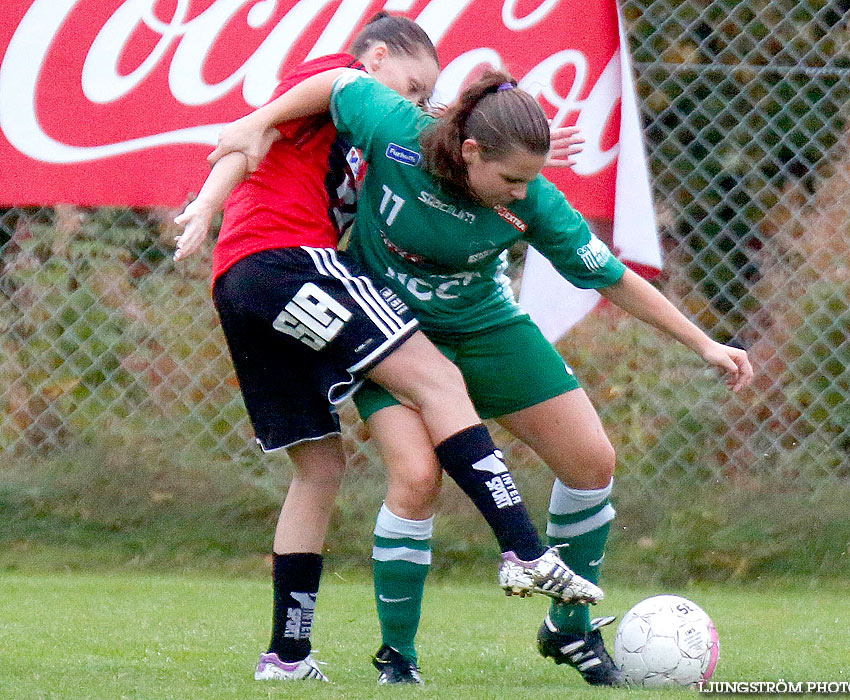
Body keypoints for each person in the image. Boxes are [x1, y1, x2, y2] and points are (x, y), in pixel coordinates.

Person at [208, 65, 755, 687]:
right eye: (512, 178)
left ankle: (569, 628)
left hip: (486, 327)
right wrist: (252, 124)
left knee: (592, 461)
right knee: (415, 479)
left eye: (532, 178)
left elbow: (609, 277)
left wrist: (703, 342)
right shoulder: (398, 134)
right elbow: (336, 85)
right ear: (469, 151)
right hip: (392, 330)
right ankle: (398, 659)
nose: (524, 192)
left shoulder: (536, 202)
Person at [174, 13, 600, 685]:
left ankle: (287, 657)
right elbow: (250, 132)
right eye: (411, 85)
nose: (415, 102)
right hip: (289, 262)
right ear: (375, 57)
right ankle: (522, 547)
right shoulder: (334, 77)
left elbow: (427, 143)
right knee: (437, 380)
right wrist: (206, 204)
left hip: (243, 284)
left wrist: (506, 150)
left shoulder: (370, 137)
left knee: (318, 468)